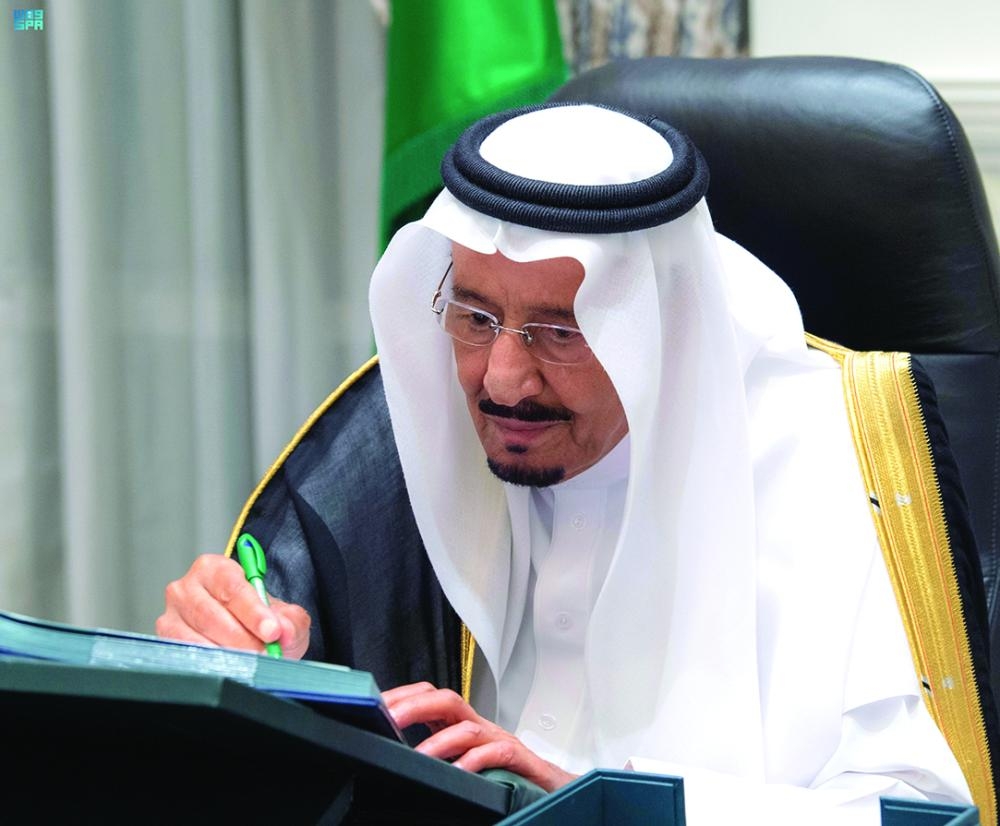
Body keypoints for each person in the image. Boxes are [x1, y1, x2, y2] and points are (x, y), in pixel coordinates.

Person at [157, 103, 983, 822]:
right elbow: (306, 663)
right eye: (475, 316)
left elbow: (919, 813)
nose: (503, 379)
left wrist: (601, 804)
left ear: (655, 329)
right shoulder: (419, 418)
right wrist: (244, 651)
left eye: (560, 332)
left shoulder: (821, 453)